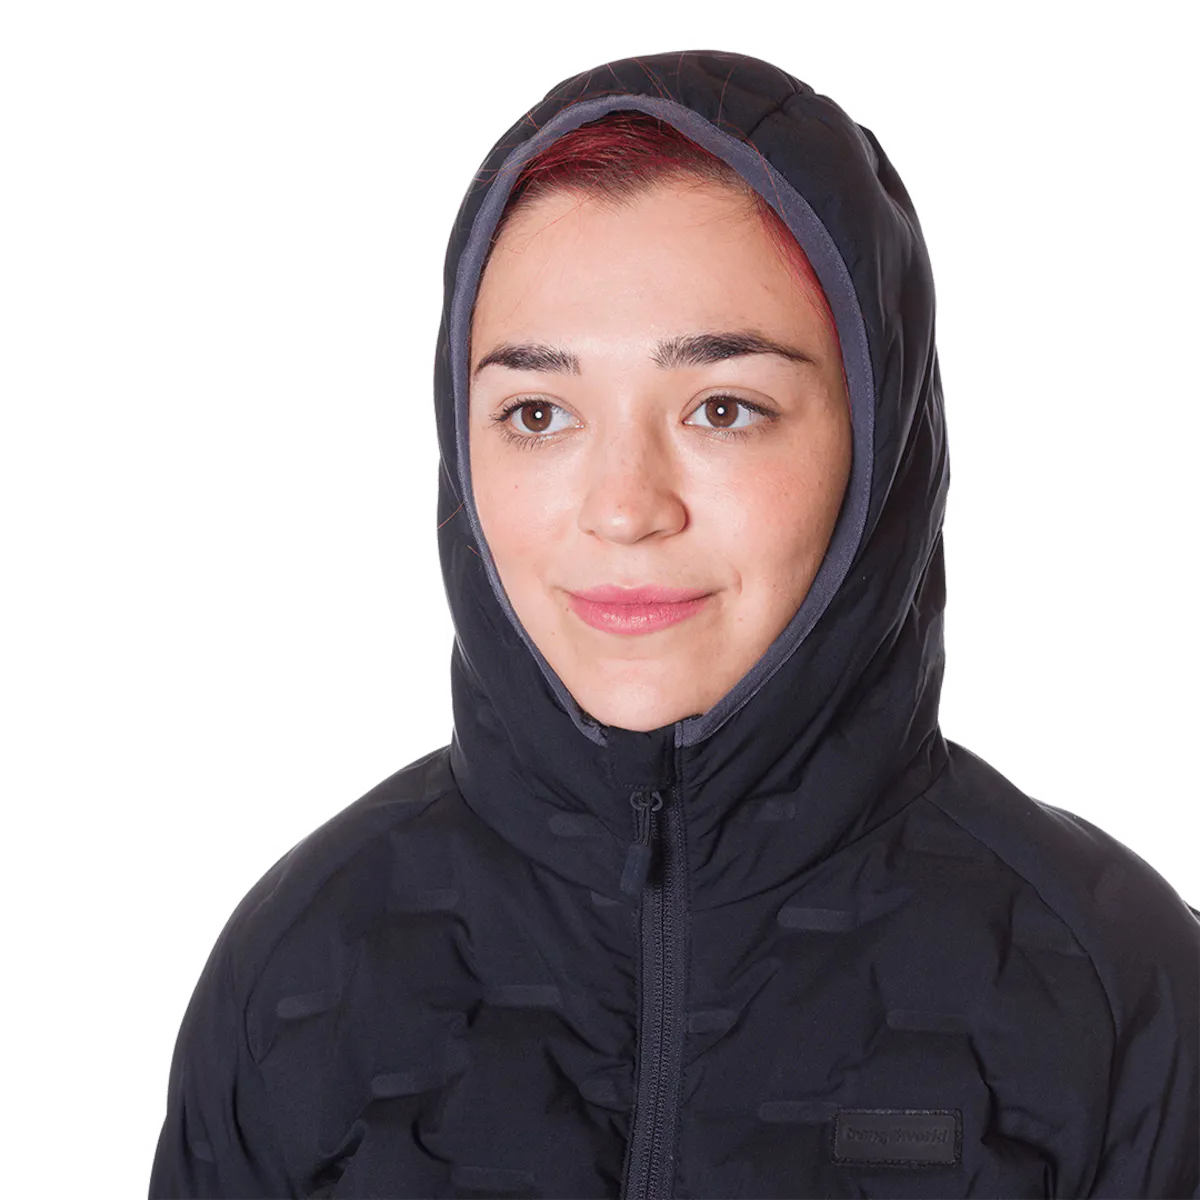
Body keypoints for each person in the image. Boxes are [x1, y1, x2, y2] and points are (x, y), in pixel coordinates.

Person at [148, 49, 1200, 1198]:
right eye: (538, 413)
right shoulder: (298, 966)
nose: (625, 508)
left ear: (880, 435)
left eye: (724, 407)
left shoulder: (1118, 983)